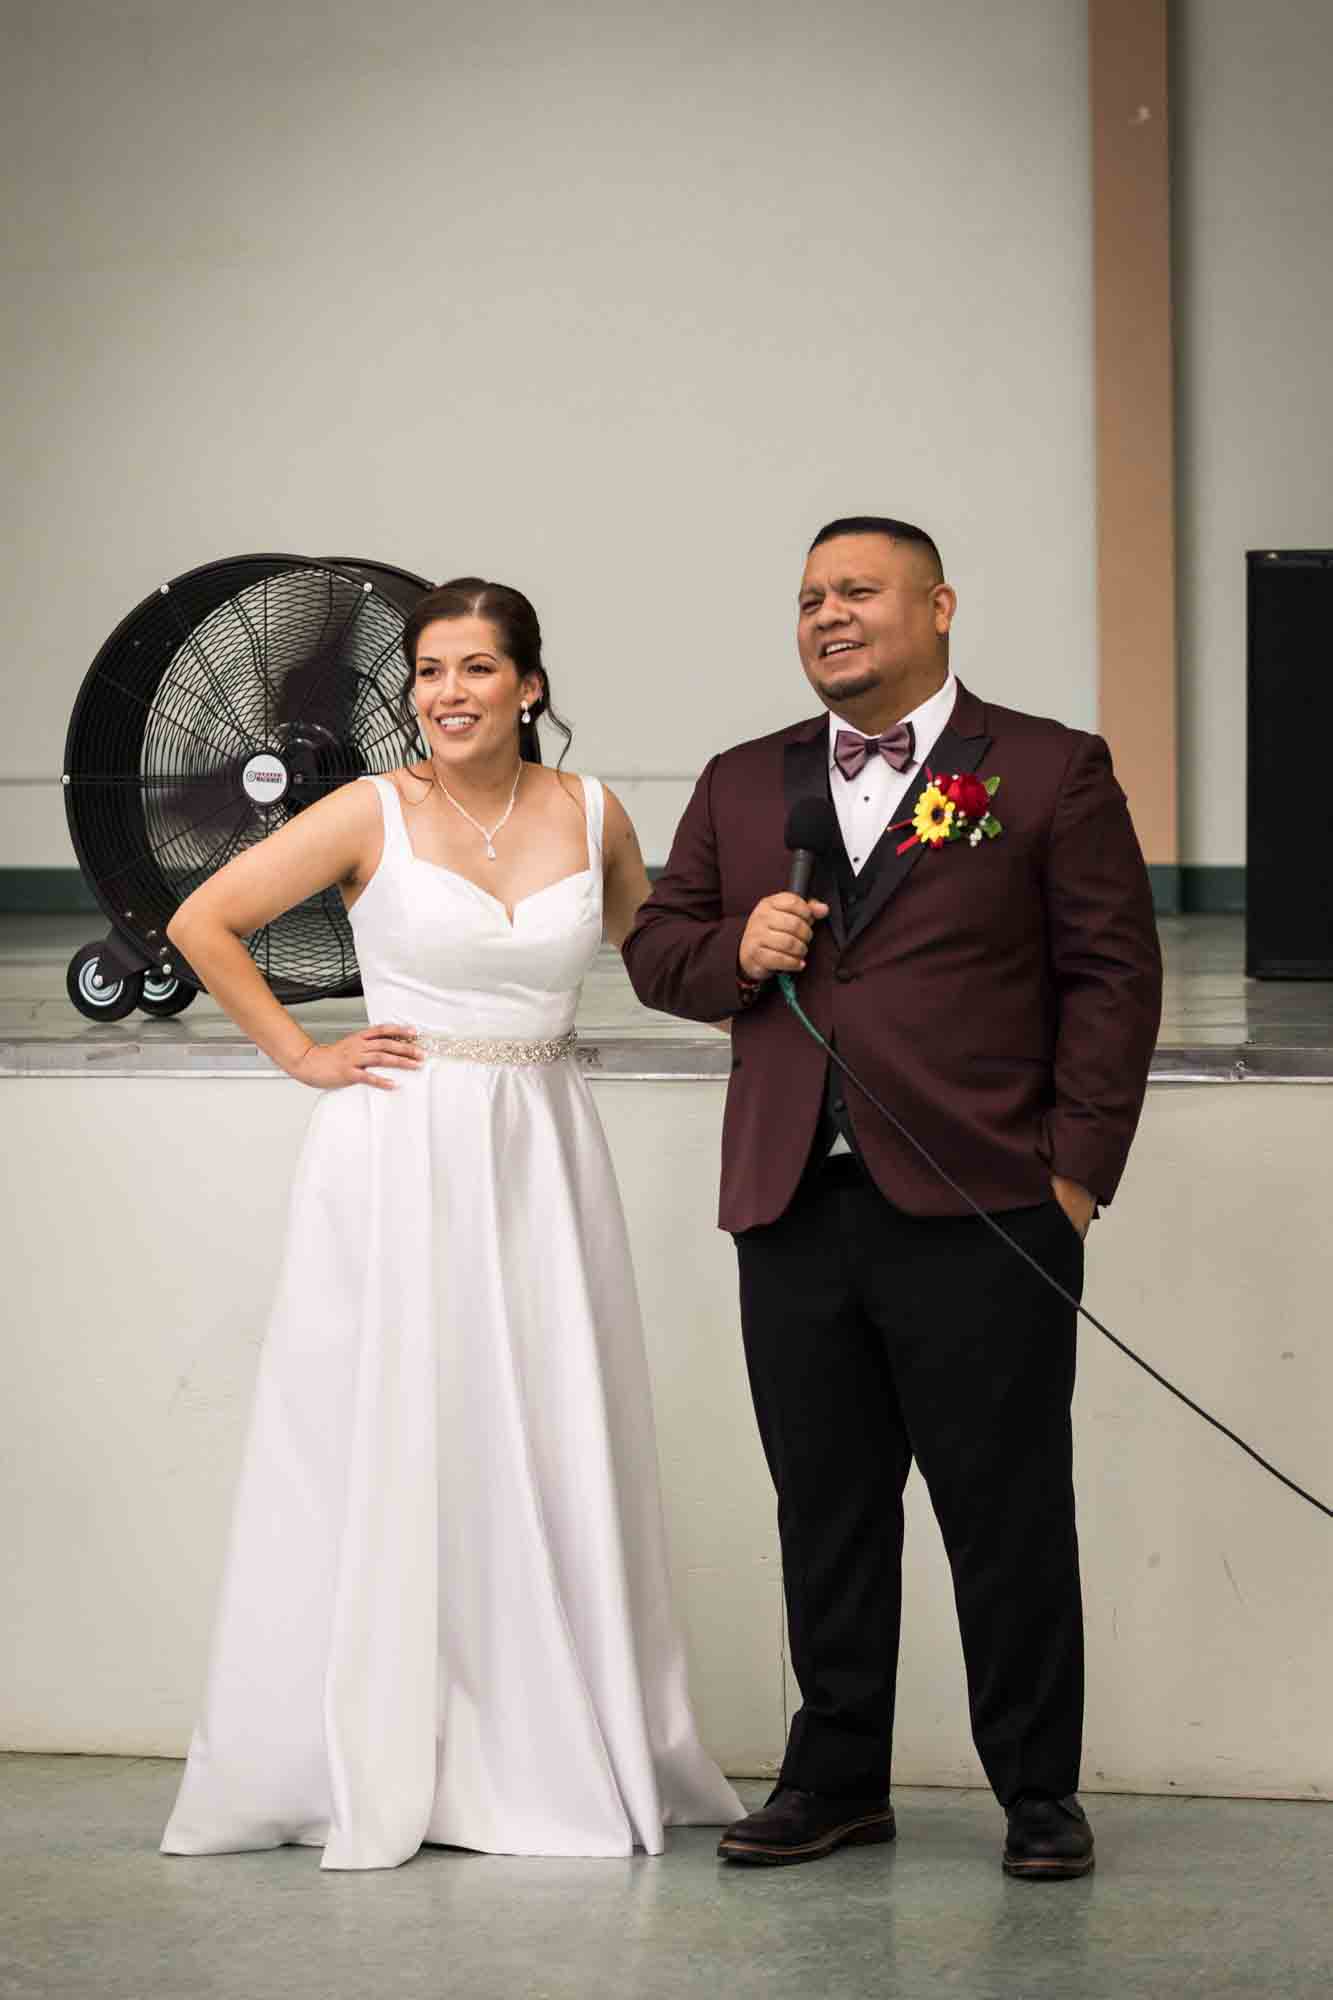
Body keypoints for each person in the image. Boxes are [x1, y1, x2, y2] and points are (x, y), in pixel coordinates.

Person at [160, 575, 741, 1869]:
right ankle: (389, 1744)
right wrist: (303, 1056)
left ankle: (551, 1729)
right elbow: (204, 920)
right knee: (398, 1431)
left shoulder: (593, 814)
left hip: (542, 1150)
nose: (447, 694)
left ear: (527, 685)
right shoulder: (368, 810)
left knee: (537, 1429)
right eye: (427, 671)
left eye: (476, 668)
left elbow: (658, 967)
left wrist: (775, 994)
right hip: (400, 1152)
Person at [623, 517, 1162, 1877]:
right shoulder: (746, 783)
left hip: (985, 1203)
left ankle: (1038, 1791)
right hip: (791, 1201)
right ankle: (836, 1778)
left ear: (938, 606)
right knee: (827, 1506)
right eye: (808, 598)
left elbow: (1112, 979)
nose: (827, 615)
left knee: (1007, 1508)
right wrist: (732, 950)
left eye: (856, 591)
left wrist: (1074, 1174)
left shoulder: (1042, 768)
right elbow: (656, 951)